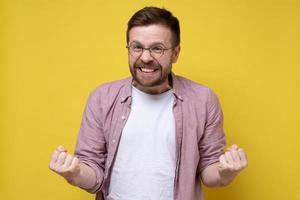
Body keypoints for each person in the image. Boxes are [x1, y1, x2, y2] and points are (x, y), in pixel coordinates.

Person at [49, 6, 248, 200]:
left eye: (157, 49)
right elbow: (93, 172)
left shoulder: (203, 100)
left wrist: (226, 173)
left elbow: (209, 170)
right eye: (137, 47)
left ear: (175, 53)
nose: (145, 58)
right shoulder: (102, 98)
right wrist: (74, 174)